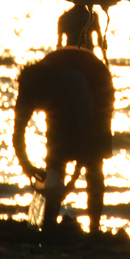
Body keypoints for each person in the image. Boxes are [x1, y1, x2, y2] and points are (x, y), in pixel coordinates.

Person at [12, 48, 114, 234]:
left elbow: (88, 131)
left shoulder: (72, 82)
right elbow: (17, 133)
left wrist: (73, 180)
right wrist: (27, 167)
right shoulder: (28, 90)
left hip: (97, 82)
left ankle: (94, 227)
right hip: (63, 87)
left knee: (94, 160)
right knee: (55, 156)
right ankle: (49, 222)